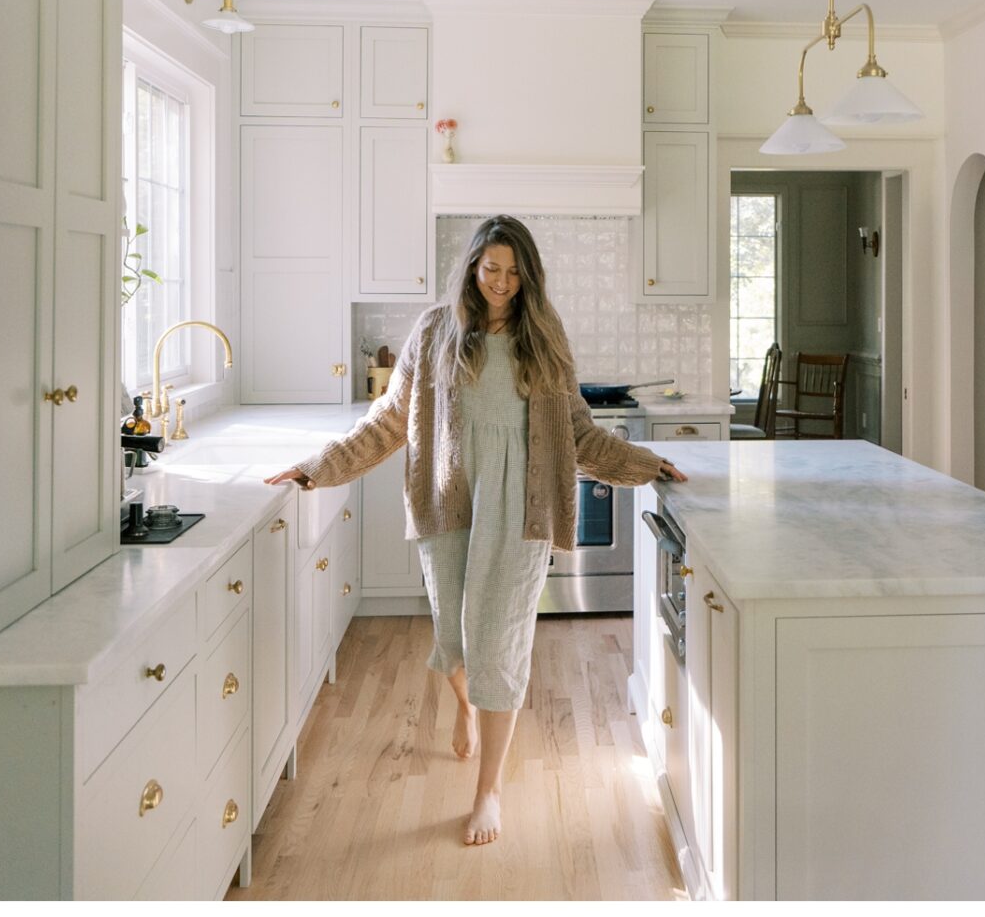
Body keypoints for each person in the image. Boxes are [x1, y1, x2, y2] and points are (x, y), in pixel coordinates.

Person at [266, 214, 688, 846]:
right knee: (455, 641)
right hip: (449, 502)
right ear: (471, 267)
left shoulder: (544, 334)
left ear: (529, 276)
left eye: (515, 272)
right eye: (492, 269)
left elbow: (577, 432)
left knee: (499, 644)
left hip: (521, 512)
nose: (502, 283)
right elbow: (389, 420)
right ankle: (467, 703)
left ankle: (487, 790)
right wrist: (317, 467)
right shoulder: (435, 331)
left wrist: (644, 465)